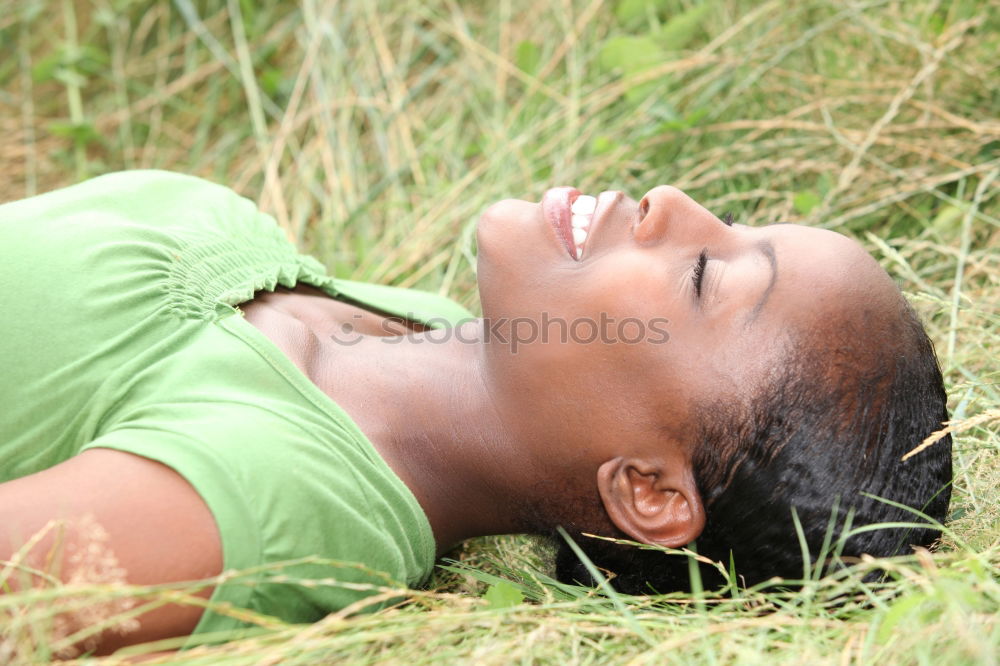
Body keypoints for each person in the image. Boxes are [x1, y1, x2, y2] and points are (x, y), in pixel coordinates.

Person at [0, 171, 952, 654]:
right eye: (734, 219)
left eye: (706, 275)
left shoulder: (272, 492)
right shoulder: (428, 336)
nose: (672, 201)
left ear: (651, 491)